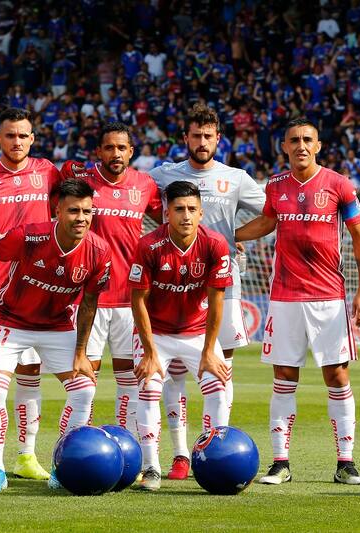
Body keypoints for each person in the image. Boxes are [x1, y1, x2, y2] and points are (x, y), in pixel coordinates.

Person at [235, 117, 360, 486]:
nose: (301, 145)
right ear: (284, 146)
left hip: (329, 297)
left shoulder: (338, 185)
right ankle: (280, 462)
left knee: (337, 375)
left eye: (307, 139)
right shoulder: (276, 185)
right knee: (283, 377)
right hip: (284, 297)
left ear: (318, 145)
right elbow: (266, 223)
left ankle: (346, 463)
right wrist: (230, 235)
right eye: (294, 140)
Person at [149, 103, 265, 479]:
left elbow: (273, 213)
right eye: (195, 136)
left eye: (208, 136)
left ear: (218, 138)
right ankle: (181, 454)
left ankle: (213, 449)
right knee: (173, 373)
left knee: (219, 367)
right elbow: (135, 196)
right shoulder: (164, 175)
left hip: (221, 283)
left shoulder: (235, 177)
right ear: (186, 138)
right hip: (172, 283)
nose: (202, 142)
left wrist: (235, 236)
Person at [0, 178, 111, 492]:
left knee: (84, 391)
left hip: (57, 326)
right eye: (74, 210)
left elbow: (90, 302)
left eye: (87, 211)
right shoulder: (29, 235)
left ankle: (62, 466)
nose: (81, 218)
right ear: (57, 210)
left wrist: (80, 353)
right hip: (9, 321)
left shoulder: (99, 251)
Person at [0, 107, 62, 482]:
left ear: (32, 139)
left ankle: (26, 454)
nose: (17, 141)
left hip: (36, 289)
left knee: (31, 373)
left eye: (23, 135)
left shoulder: (48, 171)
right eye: (10, 135)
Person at [129, 180, 232, 490]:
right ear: (166, 214)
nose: (185, 216)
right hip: (155, 333)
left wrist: (209, 351)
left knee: (219, 386)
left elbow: (216, 302)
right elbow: (138, 301)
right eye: (178, 209)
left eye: (191, 209)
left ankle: (215, 461)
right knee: (148, 387)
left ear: (201, 212)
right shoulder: (148, 246)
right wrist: (148, 353)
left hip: (196, 332)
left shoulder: (215, 244)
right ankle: (151, 467)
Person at [61, 121, 161, 432]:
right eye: (109, 147)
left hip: (130, 300)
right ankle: (71, 450)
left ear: (131, 152)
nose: (115, 153)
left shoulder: (144, 185)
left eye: (121, 148)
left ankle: (127, 449)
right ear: (99, 152)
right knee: (84, 384)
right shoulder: (82, 180)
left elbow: (170, 222)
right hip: (89, 298)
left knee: (130, 383)